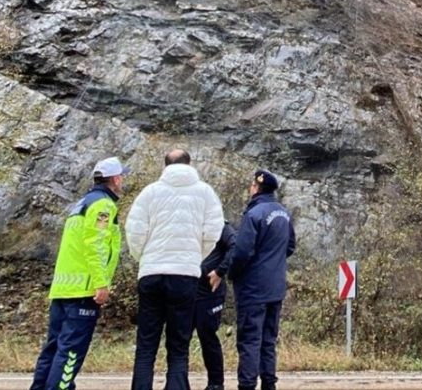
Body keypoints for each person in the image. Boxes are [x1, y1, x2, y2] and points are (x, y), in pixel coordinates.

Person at [126, 149, 224, 390]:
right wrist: (194, 257)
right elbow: (213, 232)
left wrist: (145, 258)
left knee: (146, 344)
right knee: (179, 345)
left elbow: (135, 232)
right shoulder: (205, 192)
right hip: (185, 276)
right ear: (190, 164)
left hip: (151, 273)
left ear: (165, 165)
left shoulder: (149, 192)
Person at [30, 156, 128, 390]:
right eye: (121, 177)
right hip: (83, 289)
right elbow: (95, 245)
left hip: (63, 289)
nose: (122, 181)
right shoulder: (103, 206)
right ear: (115, 179)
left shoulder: (81, 204)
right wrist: (101, 283)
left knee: (53, 348)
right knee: (70, 353)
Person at [209, 170, 296, 390]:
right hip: (276, 287)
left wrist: (232, 274)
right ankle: (269, 384)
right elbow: (290, 246)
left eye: (251, 185)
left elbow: (242, 252)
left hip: (253, 289)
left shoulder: (254, 214)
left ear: (256, 188)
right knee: (268, 341)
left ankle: (247, 385)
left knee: (249, 340)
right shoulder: (284, 213)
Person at [193, 220, 237, 390]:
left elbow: (235, 246)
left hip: (211, 293)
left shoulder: (221, 226)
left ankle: (216, 384)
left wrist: (220, 271)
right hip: (187, 291)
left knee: (207, 336)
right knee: (179, 339)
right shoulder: (189, 220)